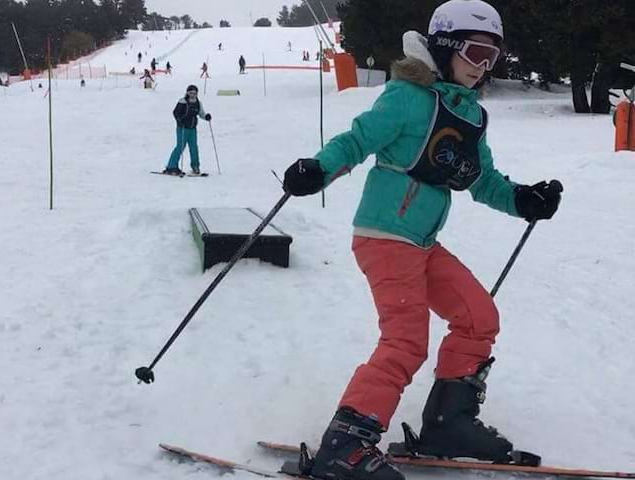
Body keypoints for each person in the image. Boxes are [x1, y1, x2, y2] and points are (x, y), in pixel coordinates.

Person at [281, 1, 563, 479]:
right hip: (385, 236)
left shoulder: (469, 114)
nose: (484, 66)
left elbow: (483, 180)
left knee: (478, 317)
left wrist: (522, 199)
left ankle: (448, 423)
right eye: (476, 52)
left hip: (423, 243)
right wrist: (319, 168)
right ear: (448, 47)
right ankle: (345, 445)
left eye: (493, 56)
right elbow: (356, 141)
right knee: (406, 341)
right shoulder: (407, 97)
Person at [163, 85, 212, 175]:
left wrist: (206, 117)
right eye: (191, 93)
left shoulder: (198, 103)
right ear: (187, 93)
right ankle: (171, 166)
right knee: (180, 147)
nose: (193, 95)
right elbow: (176, 113)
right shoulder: (182, 101)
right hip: (183, 128)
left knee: (194, 148)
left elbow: (201, 113)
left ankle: (195, 166)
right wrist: (180, 121)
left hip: (192, 129)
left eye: (195, 93)